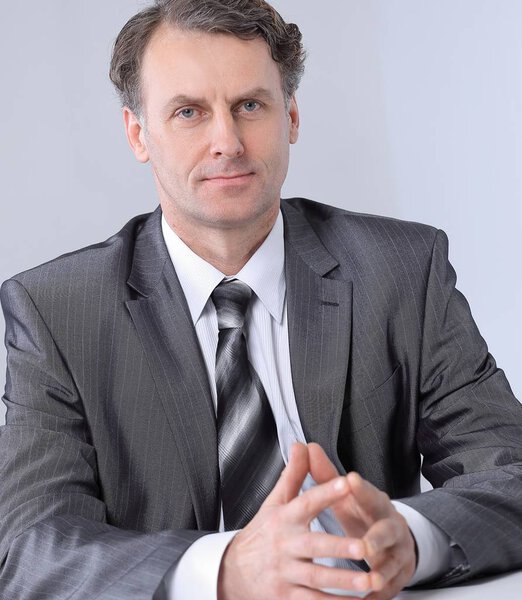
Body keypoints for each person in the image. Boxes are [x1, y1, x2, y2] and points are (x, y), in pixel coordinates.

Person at [0, 0, 521, 598]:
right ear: (138, 133)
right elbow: (28, 544)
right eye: (189, 112)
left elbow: (513, 471)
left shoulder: (402, 270)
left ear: (291, 116)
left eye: (250, 105)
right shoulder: (57, 311)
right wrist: (226, 571)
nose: (227, 141)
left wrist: (407, 535)